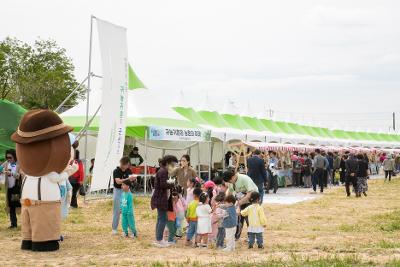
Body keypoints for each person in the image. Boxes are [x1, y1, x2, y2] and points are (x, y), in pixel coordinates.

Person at [150, 155, 178, 247]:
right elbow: (163, 184)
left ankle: (159, 239)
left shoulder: (162, 170)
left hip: (160, 197)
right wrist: (172, 183)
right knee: (162, 219)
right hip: (161, 198)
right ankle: (159, 240)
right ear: (168, 163)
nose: (173, 166)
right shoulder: (163, 171)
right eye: (172, 164)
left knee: (160, 218)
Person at [222, 169, 258, 240]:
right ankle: (236, 236)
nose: (229, 183)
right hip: (240, 198)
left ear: (233, 177)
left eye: (229, 181)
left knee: (249, 218)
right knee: (238, 217)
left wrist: (239, 203)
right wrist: (227, 202)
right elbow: (230, 193)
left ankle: (252, 237)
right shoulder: (230, 183)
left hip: (252, 199)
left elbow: (250, 193)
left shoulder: (244, 179)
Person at [112, 157, 136, 235]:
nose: (127, 166)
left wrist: (133, 179)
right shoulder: (116, 171)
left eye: (128, 165)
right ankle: (114, 228)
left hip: (127, 191)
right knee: (117, 211)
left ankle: (129, 229)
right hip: (118, 191)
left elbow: (131, 180)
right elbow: (118, 182)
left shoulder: (128, 170)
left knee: (128, 211)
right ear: (123, 164)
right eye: (126, 165)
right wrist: (127, 179)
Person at [1, 149, 20, 229]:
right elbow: (0, 168)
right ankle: (14, 224)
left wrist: (11, 173)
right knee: (11, 206)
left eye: (10, 157)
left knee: (17, 205)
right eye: (7, 157)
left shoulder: (19, 164)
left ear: (15, 157)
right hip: (9, 189)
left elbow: (19, 176)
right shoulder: (6, 163)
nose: (8, 159)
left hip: (16, 188)